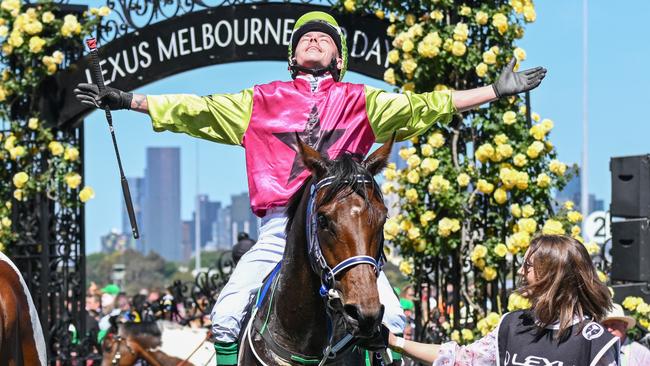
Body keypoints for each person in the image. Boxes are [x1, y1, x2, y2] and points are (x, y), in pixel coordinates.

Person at [74, 11, 546, 364]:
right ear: (293, 56)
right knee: (223, 316)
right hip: (280, 228)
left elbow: (426, 105)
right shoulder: (256, 101)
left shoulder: (364, 101)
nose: (314, 39)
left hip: (345, 234)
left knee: (395, 320)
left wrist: (493, 92)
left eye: (324, 37)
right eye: (305, 37)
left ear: (338, 58)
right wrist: (127, 99)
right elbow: (193, 109)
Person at [386, 235, 620, 365]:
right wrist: (394, 342)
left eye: (527, 265)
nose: (520, 272)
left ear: (552, 274)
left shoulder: (595, 341)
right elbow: (461, 359)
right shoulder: (512, 324)